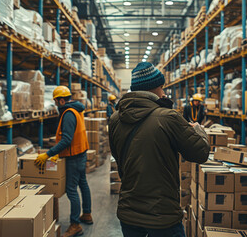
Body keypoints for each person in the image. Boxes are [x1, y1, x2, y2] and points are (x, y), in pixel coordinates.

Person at [108, 62, 210, 237]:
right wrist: (199, 132)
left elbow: (118, 157)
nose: (163, 92)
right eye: (161, 87)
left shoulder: (115, 118)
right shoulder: (168, 117)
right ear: (154, 88)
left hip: (128, 211)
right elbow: (200, 153)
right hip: (162, 215)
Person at [34, 86, 93, 237]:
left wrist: (48, 154)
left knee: (72, 190)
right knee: (83, 184)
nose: (55, 105)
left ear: (61, 100)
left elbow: (66, 139)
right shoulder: (76, 109)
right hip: (81, 153)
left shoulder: (68, 114)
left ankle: (75, 225)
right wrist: (58, 154)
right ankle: (86, 214)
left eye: (55, 101)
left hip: (74, 156)